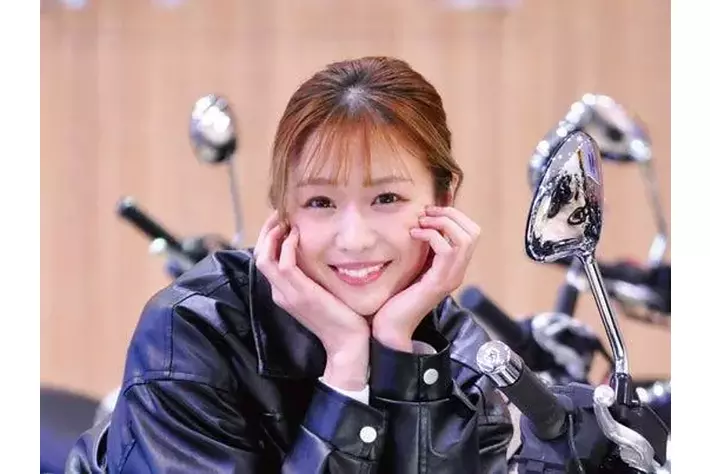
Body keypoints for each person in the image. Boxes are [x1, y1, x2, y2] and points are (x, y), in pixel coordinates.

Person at [66, 56, 514, 474]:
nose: (354, 239)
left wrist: (398, 354)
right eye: (320, 202)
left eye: (386, 198)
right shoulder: (190, 335)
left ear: (443, 200)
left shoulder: (464, 359)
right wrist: (345, 369)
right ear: (282, 212)